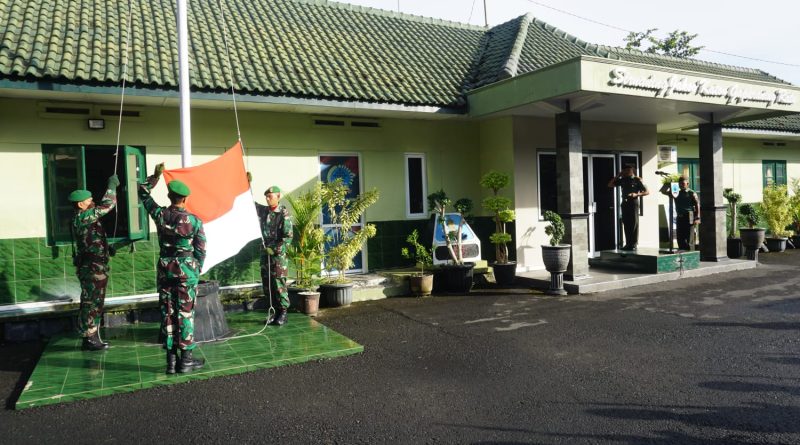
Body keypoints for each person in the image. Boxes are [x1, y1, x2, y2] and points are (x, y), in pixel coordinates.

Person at [139, 163, 207, 374]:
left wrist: (155, 176)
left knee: (167, 313)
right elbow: (201, 250)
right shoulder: (194, 221)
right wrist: (195, 269)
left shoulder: (160, 215)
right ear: (185, 199)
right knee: (185, 314)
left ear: (169, 196)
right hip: (186, 272)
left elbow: (142, 193)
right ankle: (186, 361)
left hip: (165, 270)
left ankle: (170, 362)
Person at [70, 174, 120, 351]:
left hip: (95, 266)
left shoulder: (87, 218)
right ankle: (90, 338)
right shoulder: (83, 217)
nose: (92, 201)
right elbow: (108, 205)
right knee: (92, 302)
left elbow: (91, 240)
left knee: (95, 301)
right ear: (80, 204)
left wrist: (107, 248)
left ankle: (91, 336)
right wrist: (111, 187)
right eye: (88, 199)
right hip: (91, 268)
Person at [256, 185, 293, 326]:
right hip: (265, 255)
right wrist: (246, 184)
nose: (267, 199)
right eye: (266, 196)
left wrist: (275, 249)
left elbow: (288, 237)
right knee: (268, 286)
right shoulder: (264, 211)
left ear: (278, 197)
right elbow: (251, 204)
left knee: (279, 285)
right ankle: (274, 311)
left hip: (278, 257)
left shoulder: (283, 214)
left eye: (270, 196)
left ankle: (283, 312)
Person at [608, 164, 649, 250]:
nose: (627, 172)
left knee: (634, 223)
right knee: (626, 223)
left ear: (632, 170)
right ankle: (628, 244)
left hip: (633, 202)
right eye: (625, 170)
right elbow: (610, 185)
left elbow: (647, 192)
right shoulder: (623, 179)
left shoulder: (637, 180)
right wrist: (618, 175)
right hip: (625, 203)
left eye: (628, 170)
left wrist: (636, 194)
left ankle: (634, 244)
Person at [660, 176, 700, 250]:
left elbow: (697, 204)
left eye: (683, 183)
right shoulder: (676, 193)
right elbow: (663, 191)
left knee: (689, 237)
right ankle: (682, 253)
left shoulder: (691, 193)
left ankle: (690, 253)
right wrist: (667, 184)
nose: (681, 185)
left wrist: (697, 217)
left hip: (689, 215)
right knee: (680, 237)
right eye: (680, 183)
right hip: (680, 216)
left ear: (687, 183)